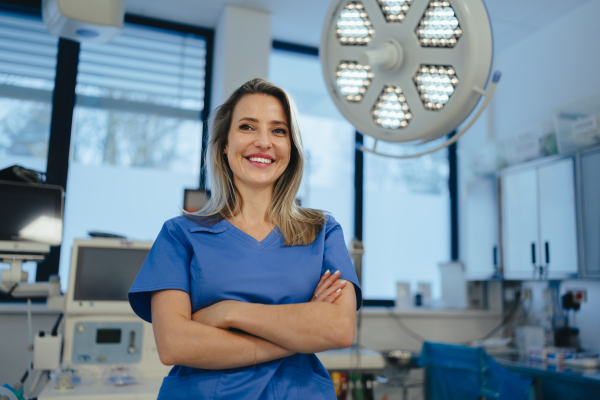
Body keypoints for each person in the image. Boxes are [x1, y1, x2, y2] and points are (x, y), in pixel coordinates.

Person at [128, 78, 362, 399]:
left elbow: (338, 329)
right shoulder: (181, 234)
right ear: (225, 144)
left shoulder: (322, 231)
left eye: (279, 131)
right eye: (248, 127)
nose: (264, 142)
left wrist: (227, 312)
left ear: (291, 148)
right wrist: (301, 328)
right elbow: (174, 344)